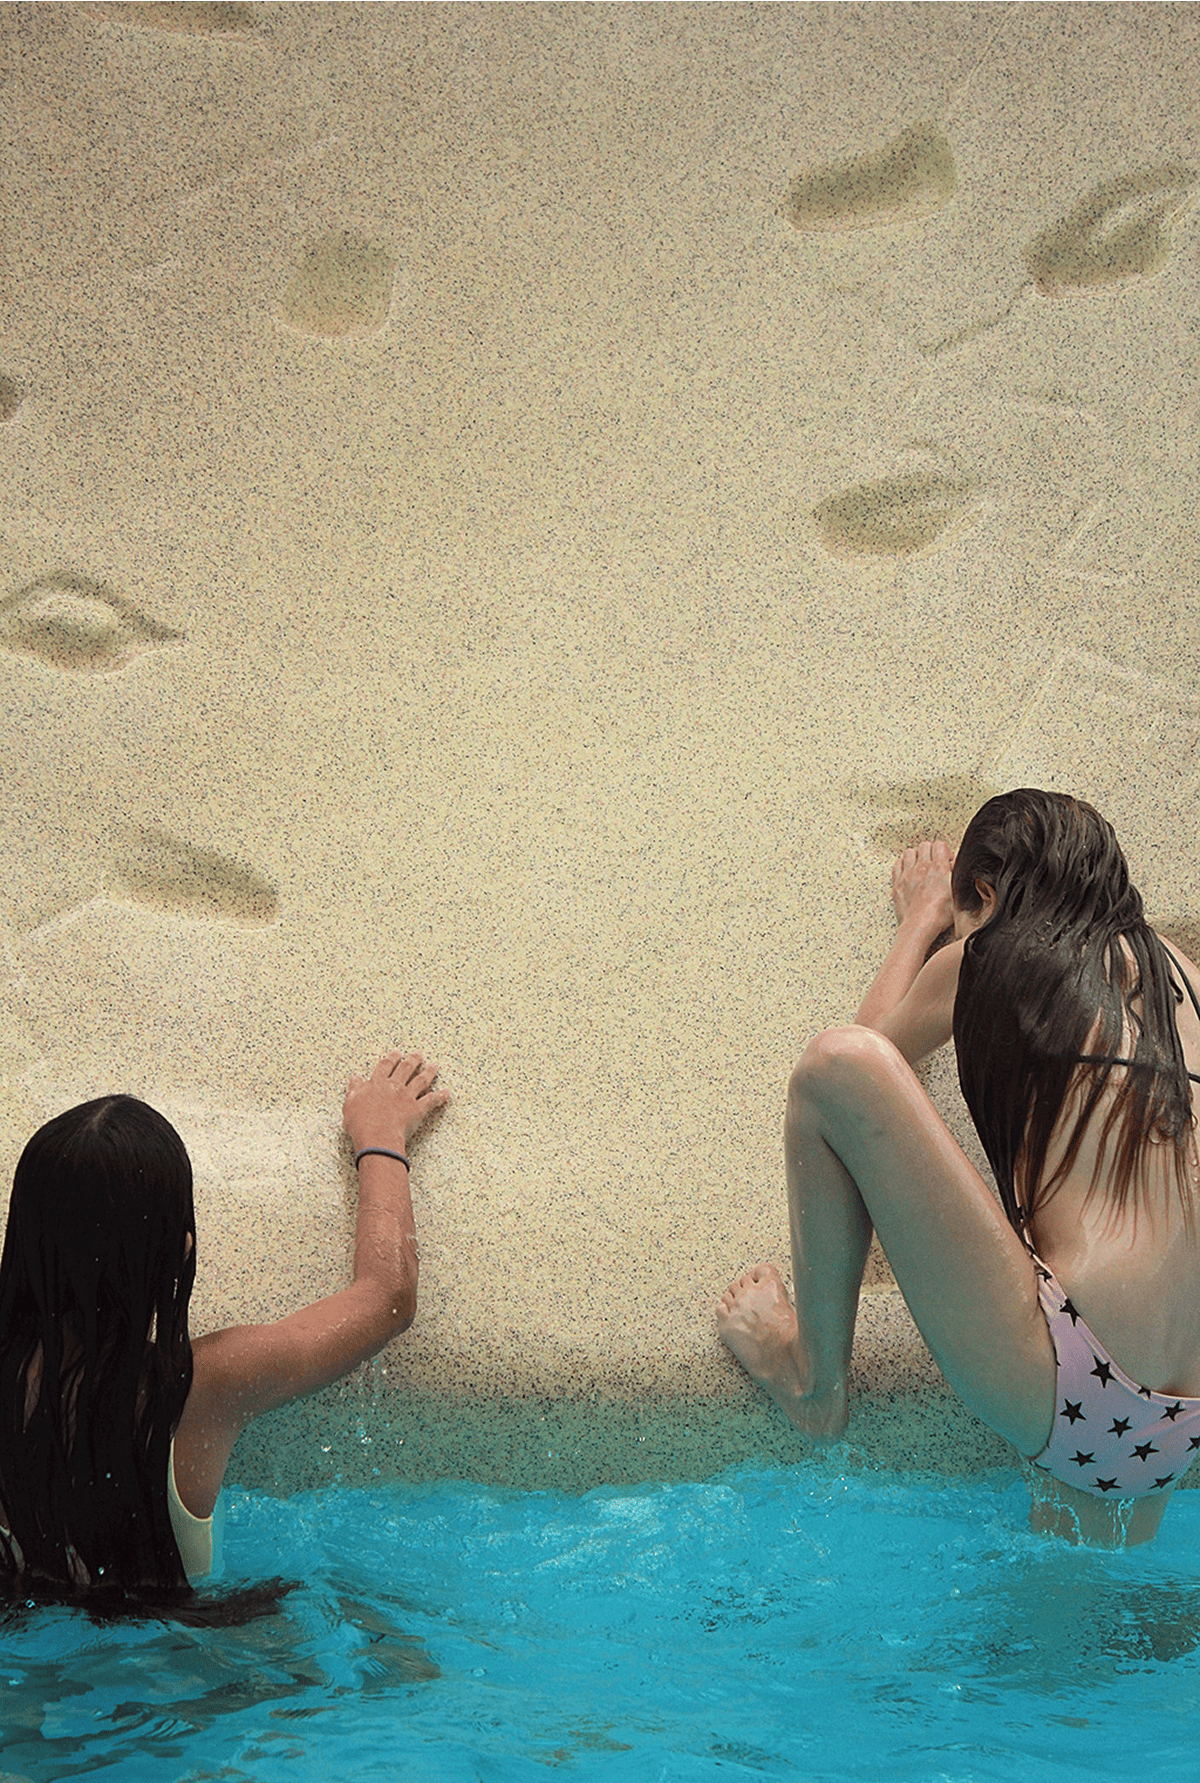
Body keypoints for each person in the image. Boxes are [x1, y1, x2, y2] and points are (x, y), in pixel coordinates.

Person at [718, 789, 1200, 1546]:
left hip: (1081, 1379)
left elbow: (870, 1050)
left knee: (832, 1067)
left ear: (986, 894)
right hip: (1186, 1421)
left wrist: (921, 919)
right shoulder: (1179, 971)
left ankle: (811, 1384)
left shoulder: (999, 952)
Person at [0, 1048, 447, 1604]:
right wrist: (381, 1135)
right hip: (181, 1648)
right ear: (180, 1252)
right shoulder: (205, 1387)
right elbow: (388, 1298)